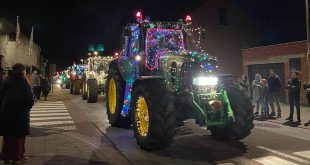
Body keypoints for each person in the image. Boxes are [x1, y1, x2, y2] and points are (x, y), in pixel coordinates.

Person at [0, 63, 34, 163]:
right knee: (19, 136)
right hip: (20, 112)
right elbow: (29, 98)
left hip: (6, 111)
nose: (25, 72)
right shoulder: (23, 82)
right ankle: (17, 157)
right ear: (21, 71)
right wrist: (28, 106)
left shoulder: (7, 81)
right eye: (24, 70)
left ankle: (6, 156)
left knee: (8, 135)